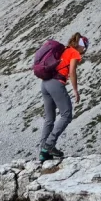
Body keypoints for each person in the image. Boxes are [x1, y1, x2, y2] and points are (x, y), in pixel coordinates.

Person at [39, 32, 89, 161]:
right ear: (81, 45)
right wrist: (76, 90)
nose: (85, 49)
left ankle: (43, 152)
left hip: (45, 83)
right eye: (85, 46)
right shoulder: (74, 53)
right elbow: (72, 71)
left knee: (49, 119)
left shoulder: (65, 50)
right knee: (66, 115)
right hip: (56, 84)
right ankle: (49, 145)